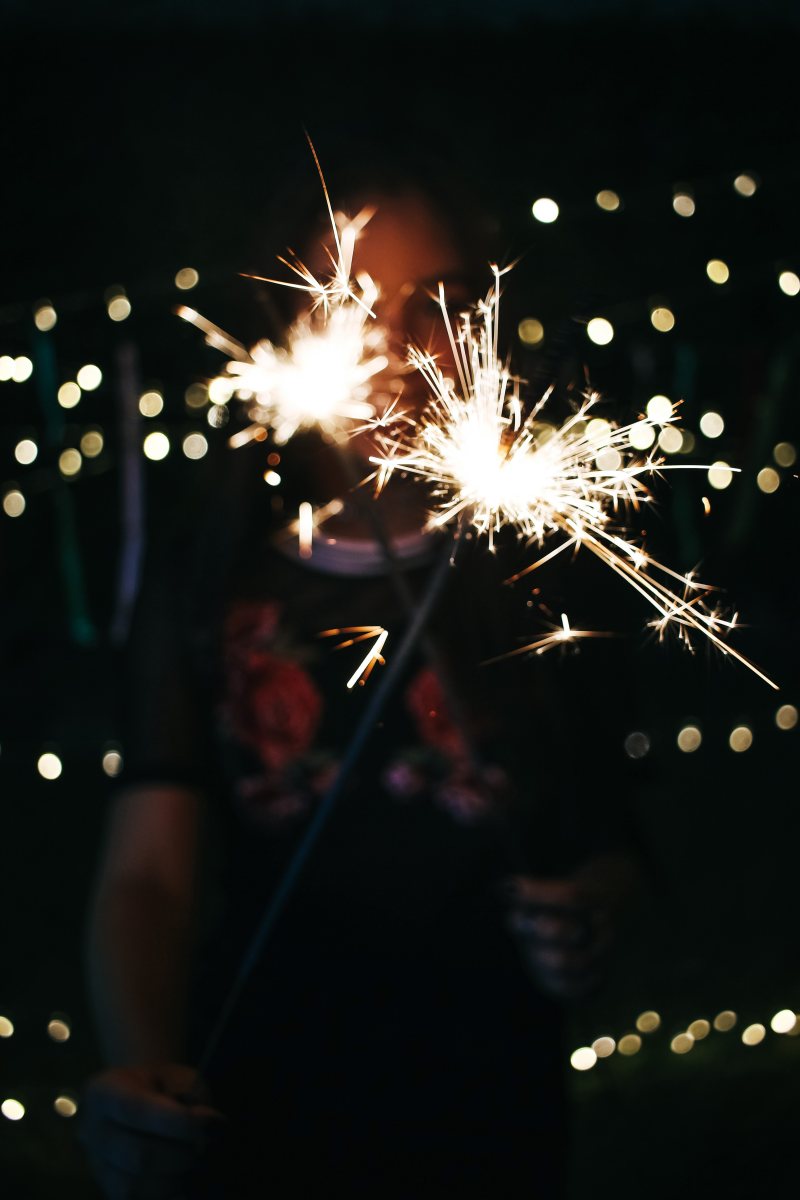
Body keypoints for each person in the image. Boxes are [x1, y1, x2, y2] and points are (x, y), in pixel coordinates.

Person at [81, 154, 643, 1199]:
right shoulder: (211, 575)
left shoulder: (532, 571)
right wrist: (141, 1065)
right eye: (351, 301)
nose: (393, 345)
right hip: (258, 1097)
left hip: (491, 1102)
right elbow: (148, 867)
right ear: (288, 321)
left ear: (482, 324)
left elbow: (607, 825)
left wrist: (590, 906)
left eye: (436, 305)